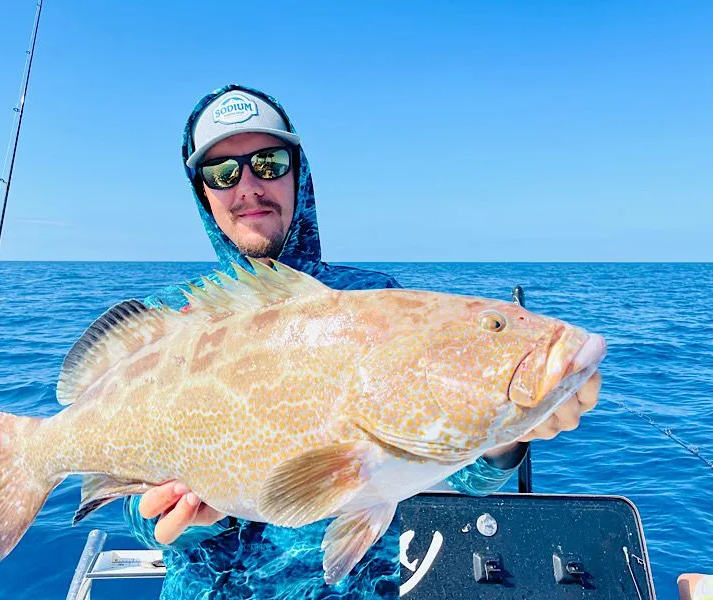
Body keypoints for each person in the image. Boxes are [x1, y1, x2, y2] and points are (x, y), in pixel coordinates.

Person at [123, 84, 602, 600]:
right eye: (222, 172)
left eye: (268, 162)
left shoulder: (379, 300)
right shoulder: (168, 323)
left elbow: (461, 480)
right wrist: (180, 519)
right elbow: (131, 509)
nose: (249, 186)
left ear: (298, 173)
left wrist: (507, 435)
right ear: (203, 193)